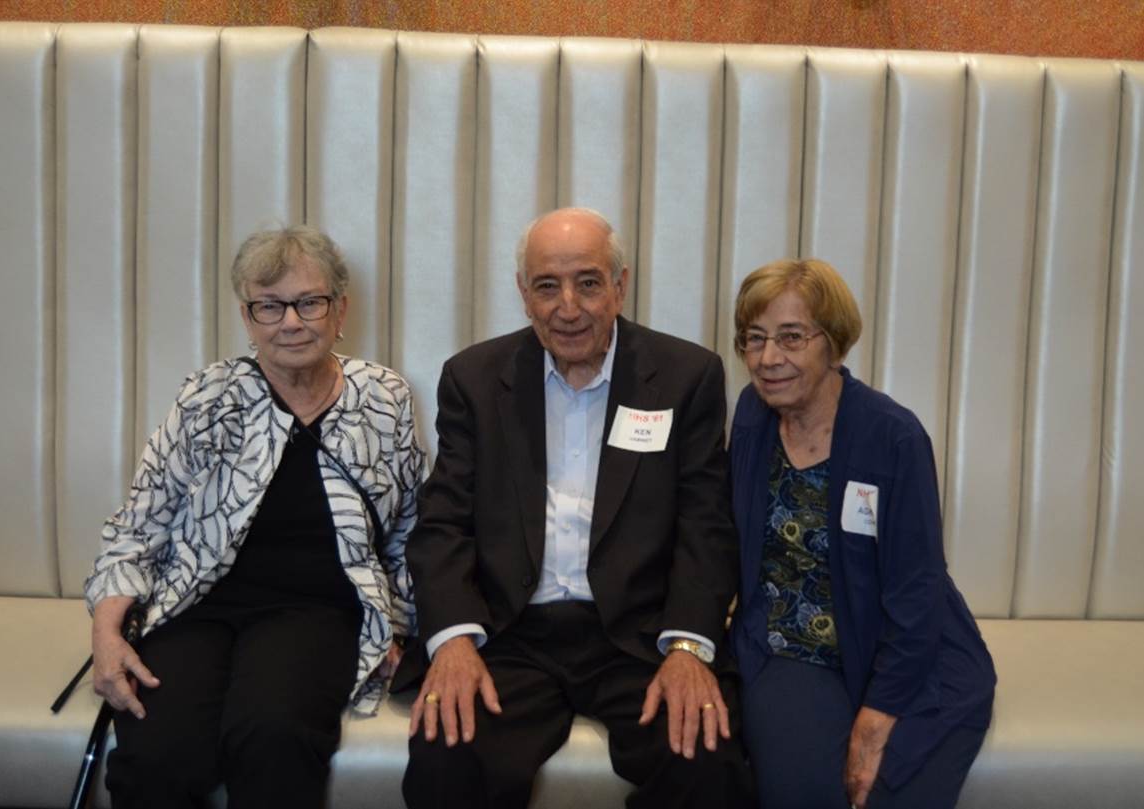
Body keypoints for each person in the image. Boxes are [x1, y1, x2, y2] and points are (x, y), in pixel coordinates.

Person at [398, 207, 753, 809]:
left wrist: (689, 646)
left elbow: (706, 525)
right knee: (446, 760)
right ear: (523, 293)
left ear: (620, 285)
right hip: (510, 633)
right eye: (546, 286)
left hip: (637, 638)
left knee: (707, 762)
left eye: (588, 282)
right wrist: (454, 640)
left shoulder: (686, 376)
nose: (568, 306)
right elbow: (443, 523)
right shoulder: (476, 379)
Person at [84, 225, 426, 808]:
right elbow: (137, 527)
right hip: (197, 606)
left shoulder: (383, 398)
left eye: (308, 302)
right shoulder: (208, 397)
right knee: (159, 754)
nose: (290, 322)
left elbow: (412, 533)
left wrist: (403, 629)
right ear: (248, 319)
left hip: (317, 610)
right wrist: (106, 634)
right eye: (269, 306)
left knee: (273, 738)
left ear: (339, 309)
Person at [728, 258, 996, 809]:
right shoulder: (753, 415)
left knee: (889, 790)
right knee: (801, 792)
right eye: (754, 339)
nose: (769, 359)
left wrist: (876, 719)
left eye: (791, 337)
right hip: (793, 644)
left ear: (834, 343)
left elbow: (917, 587)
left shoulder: (892, 436)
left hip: (901, 645)